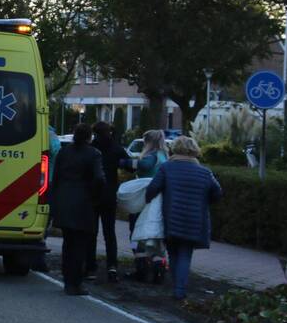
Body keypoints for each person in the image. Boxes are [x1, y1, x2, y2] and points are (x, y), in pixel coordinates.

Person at [144, 136, 222, 301]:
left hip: (171, 218)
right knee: (186, 253)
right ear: (194, 150)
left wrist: (147, 201)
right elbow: (217, 193)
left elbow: (152, 188)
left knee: (173, 253)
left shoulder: (167, 168)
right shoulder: (204, 172)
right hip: (194, 219)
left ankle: (176, 288)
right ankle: (180, 290)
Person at [50, 123, 104, 296]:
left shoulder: (64, 152)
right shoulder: (94, 154)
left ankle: (67, 280)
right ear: (90, 137)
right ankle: (76, 282)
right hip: (83, 203)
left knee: (68, 243)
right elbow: (98, 178)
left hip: (64, 200)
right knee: (80, 245)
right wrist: (94, 196)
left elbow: (55, 177)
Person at [88, 121, 133, 282]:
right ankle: (112, 266)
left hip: (92, 195)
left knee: (91, 233)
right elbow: (131, 167)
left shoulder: (92, 148)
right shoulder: (116, 149)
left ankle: (91, 267)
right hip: (109, 195)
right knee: (110, 233)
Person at [129, 129, 168, 282]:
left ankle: (141, 269)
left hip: (144, 200)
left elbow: (144, 165)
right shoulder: (164, 156)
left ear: (149, 142)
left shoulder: (151, 156)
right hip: (159, 201)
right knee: (156, 235)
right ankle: (159, 268)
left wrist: (127, 162)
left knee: (136, 234)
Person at [31, 126, 62, 273]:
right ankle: (38, 258)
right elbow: (58, 152)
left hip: (27, 178)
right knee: (43, 221)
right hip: (47, 180)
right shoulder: (49, 134)